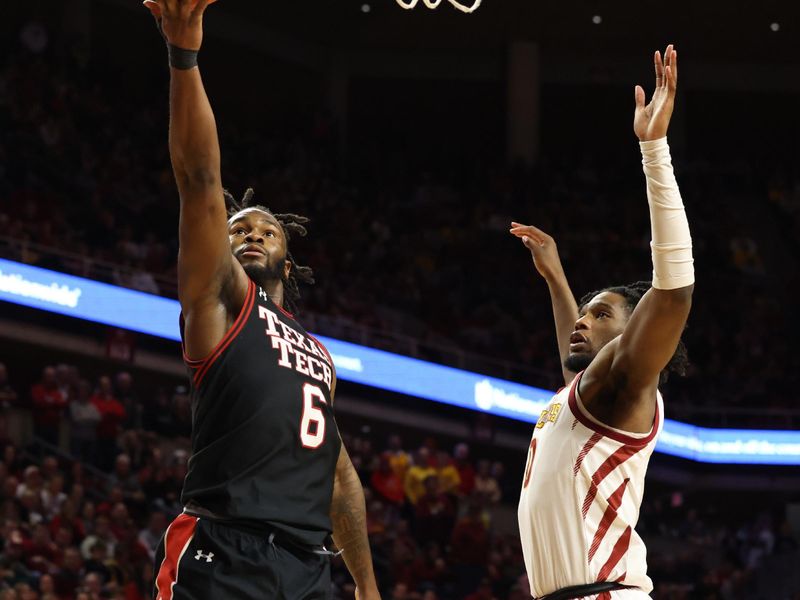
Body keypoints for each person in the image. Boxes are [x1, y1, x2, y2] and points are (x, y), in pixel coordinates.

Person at [141, 1, 380, 599]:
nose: (250, 234)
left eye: (266, 230)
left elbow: (341, 478)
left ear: (288, 259)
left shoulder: (319, 355)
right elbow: (197, 178)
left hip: (308, 569)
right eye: (237, 228)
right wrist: (184, 57)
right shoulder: (222, 301)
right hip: (225, 548)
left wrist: (369, 587)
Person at [512, 45, 693, 599]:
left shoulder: (629, 383)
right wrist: (557, 281)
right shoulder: (591, 398)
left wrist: (654, 149)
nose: (582, 322)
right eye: (584, 314)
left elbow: (675, 292)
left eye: (601, 314)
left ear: (632, 333)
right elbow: (576, 377)